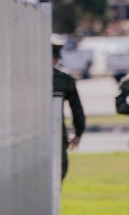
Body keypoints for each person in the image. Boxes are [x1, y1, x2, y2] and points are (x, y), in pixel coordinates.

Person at [53, 40, 84, 180]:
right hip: (51, 138)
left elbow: (76, 108)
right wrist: (78, 132)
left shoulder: (64, 79)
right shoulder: (64, 79)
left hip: (56, 136)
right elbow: (77, 109)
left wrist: (78, 132)